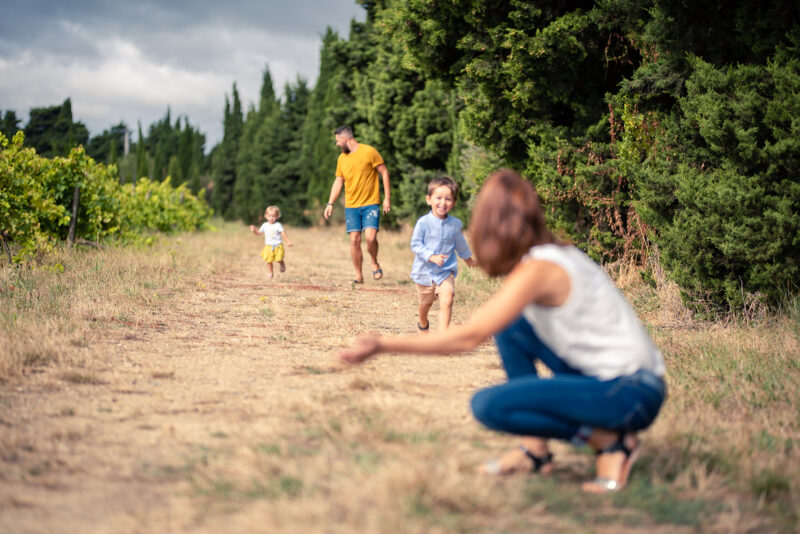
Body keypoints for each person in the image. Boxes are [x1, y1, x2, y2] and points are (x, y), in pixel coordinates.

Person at [338, 169, 666, 493]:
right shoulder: (554, 256)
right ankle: (535, 452)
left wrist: (381, 344)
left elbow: (469, 336)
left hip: (630, 393)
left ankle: (610, 443)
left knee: (491, 406)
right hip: (621, 383)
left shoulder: (539, 269)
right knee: (513, 326)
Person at [323, 126, 391, 284]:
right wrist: (330, 203)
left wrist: (387, 198)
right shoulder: (341, 159)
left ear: (345, 139)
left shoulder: (369, 152)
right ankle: (358, 275)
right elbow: (339, 180)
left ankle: (374, 262)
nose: (337, 144)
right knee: (354, 240)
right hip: (351, 205)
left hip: (370, 203)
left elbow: (384, 172)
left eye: (338, 141)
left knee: (370, 237)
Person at [411, 176, 476, 331]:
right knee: (425, 305)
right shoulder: (423, 222)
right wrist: (431, 256)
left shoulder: (455, 224)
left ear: (453, 203)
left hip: (445, 271)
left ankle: (443, 337)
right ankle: (423, 323)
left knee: (447, 299)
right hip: (424, 273)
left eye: (448, 199)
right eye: (438, 198)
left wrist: (468, 259)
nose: (443, 202)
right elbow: (415, 244)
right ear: (429, 200)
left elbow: (460, 244)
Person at [249, 205, 293, 279]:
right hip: (268, 246)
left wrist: (288, 241)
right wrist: (254, 230)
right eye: (269, 216)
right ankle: (270, 273)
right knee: (269, 261)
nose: (271, 218)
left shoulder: (278, 225)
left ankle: (282, 264)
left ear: (277, 216)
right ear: (266, 216)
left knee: (279, 259)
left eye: (273, 216)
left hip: (278, 246)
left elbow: (283, 234)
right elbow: (259, 233)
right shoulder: (265, 225)